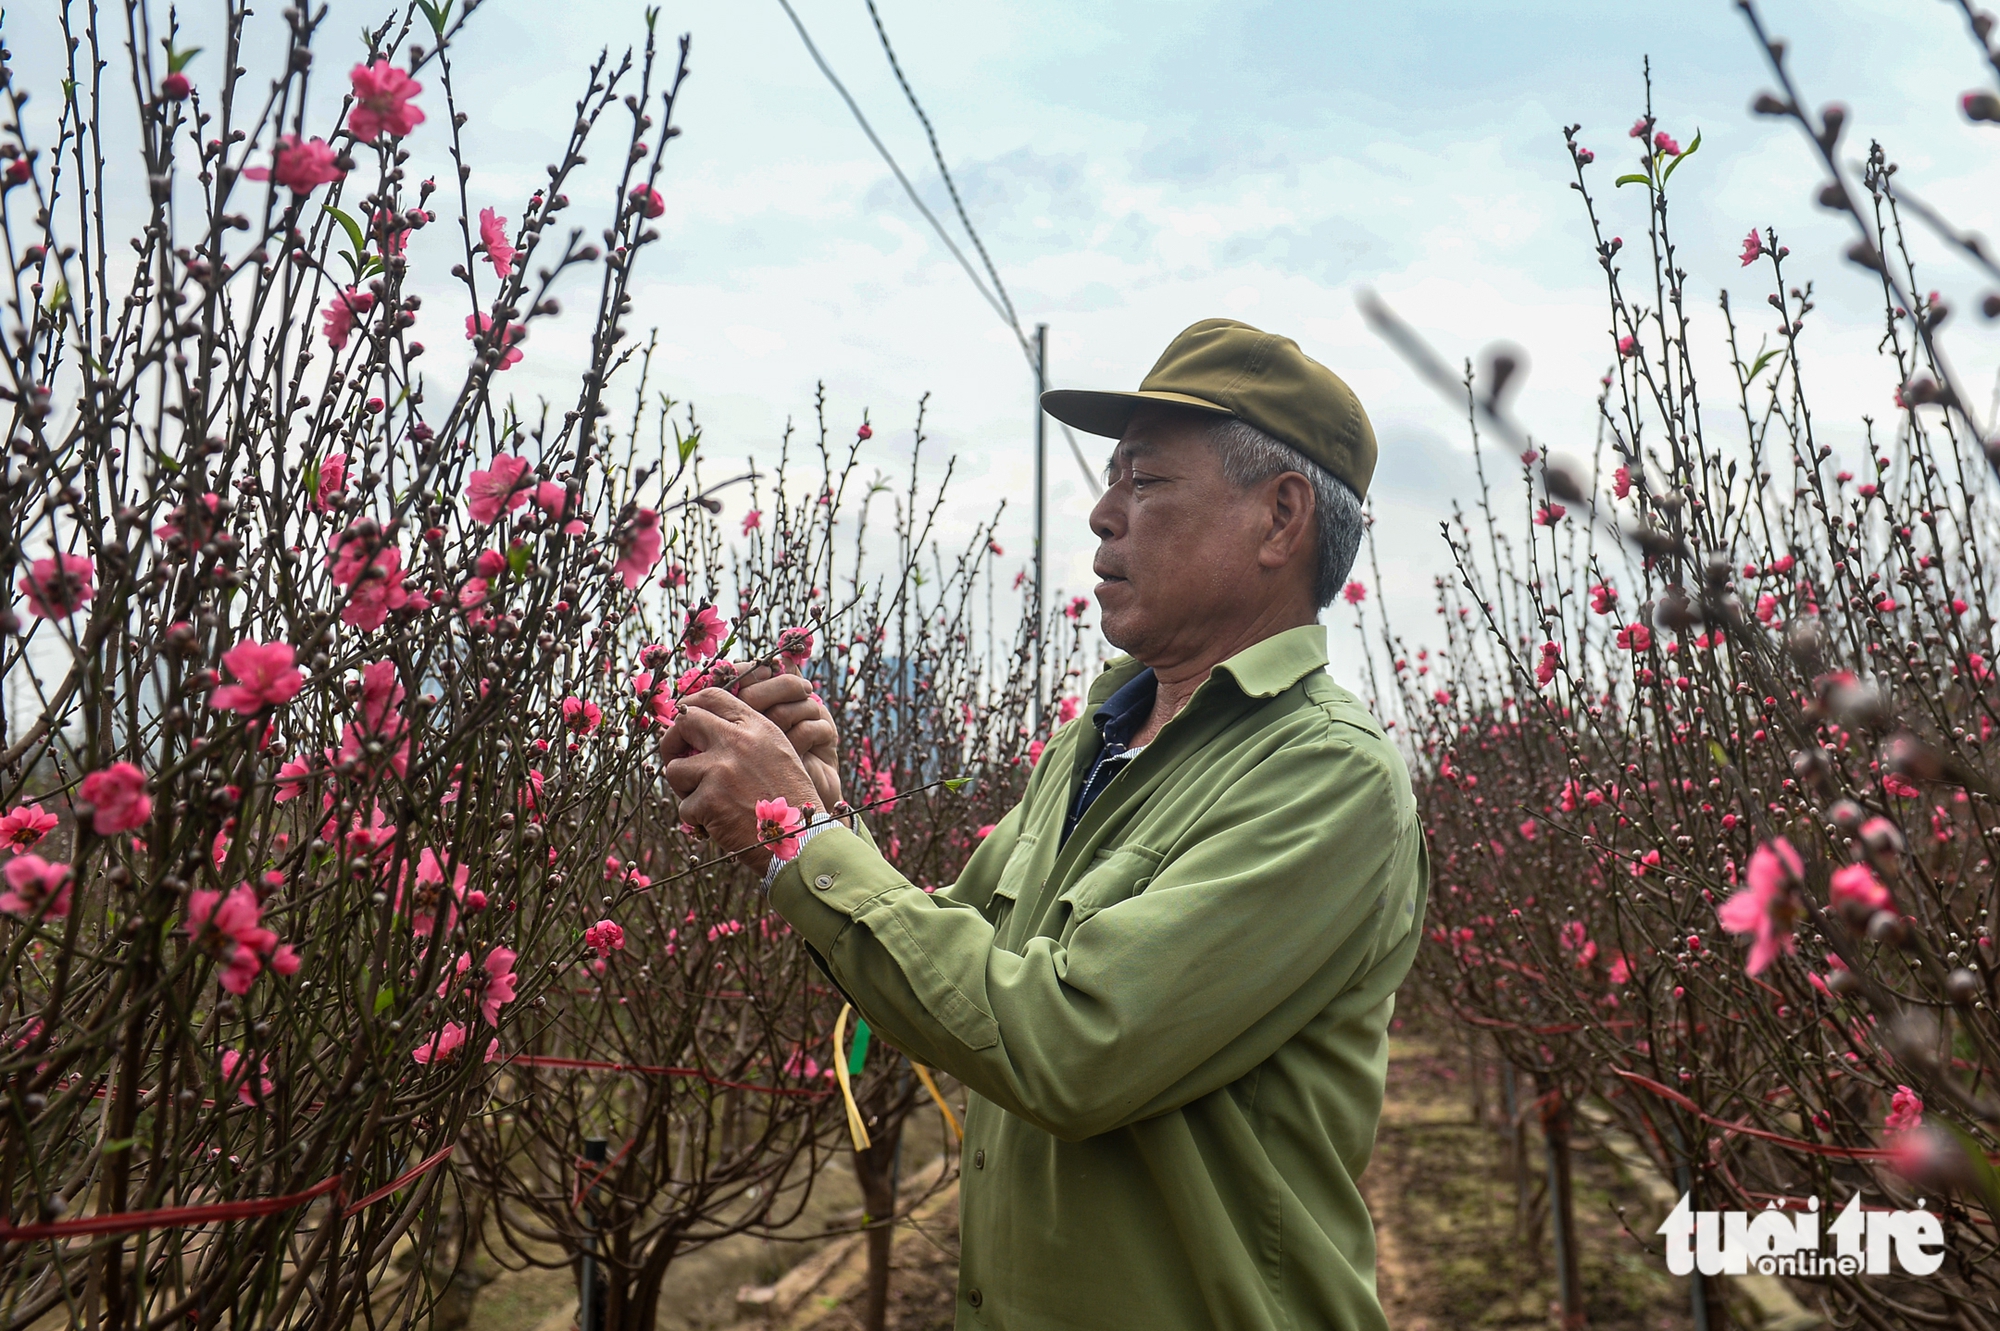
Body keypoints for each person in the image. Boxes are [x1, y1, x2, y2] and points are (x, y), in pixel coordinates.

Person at [662, 318, 1429, 1330]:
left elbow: (1068, 1044)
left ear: (1280, 517)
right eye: (1112, 481)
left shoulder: (1325, 774)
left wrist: (800, 836)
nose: (1104, 512)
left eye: (1145, 482)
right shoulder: (1102, 736)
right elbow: (953, 966)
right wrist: (822, 807)